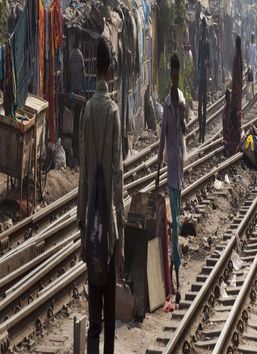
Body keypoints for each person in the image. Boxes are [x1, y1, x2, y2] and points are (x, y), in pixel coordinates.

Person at [77, 37, 124, 354]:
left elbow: (81, 172)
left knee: (93, 311)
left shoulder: (86, 112)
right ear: (110, 69)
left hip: (89, 220)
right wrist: (119, 219)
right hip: (109, 221)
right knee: (109, 313)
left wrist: (81, 218)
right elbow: (117, 174)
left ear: (95, 68)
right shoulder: (113, 112)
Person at [156, 53, 186, 298]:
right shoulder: (166, 104)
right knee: (174, 224)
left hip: (180, 168)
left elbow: (184, 130)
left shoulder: (182, 102)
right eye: (172, 73)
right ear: (171, 74)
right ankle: (175, 274)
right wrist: (156, 169)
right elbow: (162, 140)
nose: (175, 77)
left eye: (177, 73)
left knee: (176, 222)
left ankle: (175, 273)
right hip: (170, 169)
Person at [69, 34, 85, 162]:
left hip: (72, 90)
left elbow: (69, 70)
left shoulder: (70, 54)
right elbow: (83, 72)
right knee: (78, 121)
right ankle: (77, 153)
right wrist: (83, 87)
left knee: (74, 118)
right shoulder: (79, 54)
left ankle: (75, 151)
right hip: (78, 89)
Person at [226, 35, 243, 155]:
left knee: (235, 112)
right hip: (239, 90)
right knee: (238, 113)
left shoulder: (236, 57)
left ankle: (235, 135)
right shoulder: (240, 57)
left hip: (236, 91)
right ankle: (237, 133)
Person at [198, 16, 210, 143]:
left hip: (205, 78)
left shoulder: (207, 44)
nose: (203, 30)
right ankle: (201, 129)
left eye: (204, 28)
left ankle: (203, 133)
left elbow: (209, 61)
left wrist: (207, 63)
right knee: (200, 106)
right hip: (199, 77)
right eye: (202, 28)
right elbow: (197, 60)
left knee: (204, 105)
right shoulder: (200, 42)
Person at [222, 88, 231, 155]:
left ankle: (226, 149)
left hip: (226, 127)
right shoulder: (228, 107)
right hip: (228, 126)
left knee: (226, 136)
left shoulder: (226, 108)